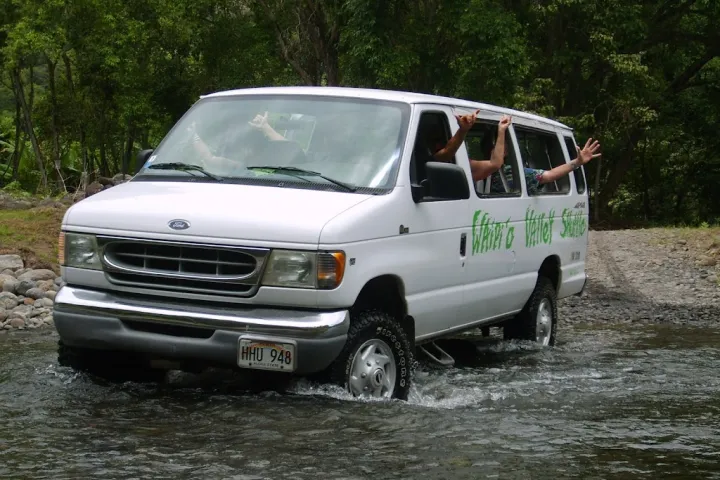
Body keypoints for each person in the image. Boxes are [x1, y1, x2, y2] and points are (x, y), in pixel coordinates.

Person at [432, 109, 601, 195]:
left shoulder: (515, 174)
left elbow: (549, 175)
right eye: (497, 145)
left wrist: (576, 163)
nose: (500, 148)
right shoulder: (466, 167)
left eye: (502, 145)